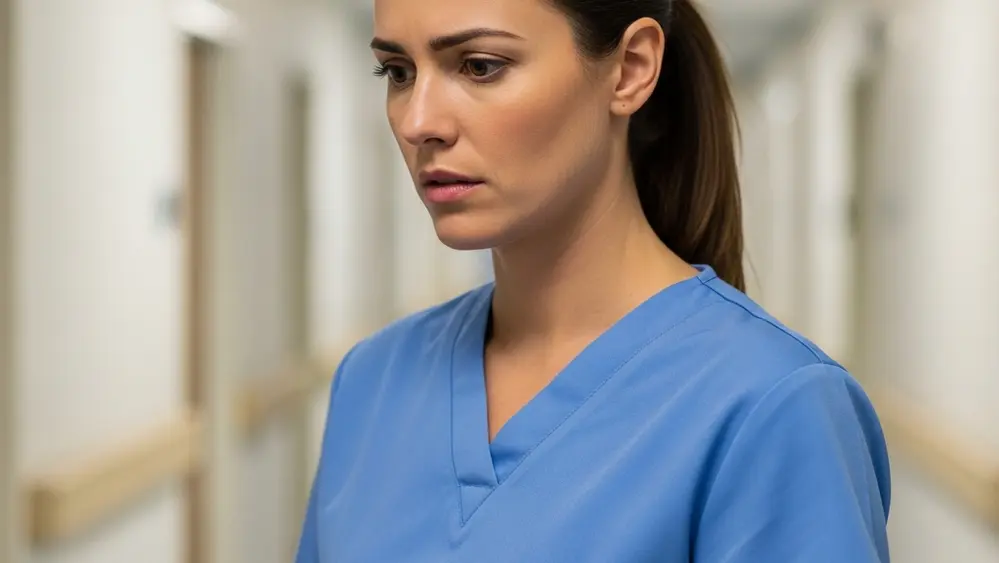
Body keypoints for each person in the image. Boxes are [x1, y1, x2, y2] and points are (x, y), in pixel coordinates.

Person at [295, 0, 891, 561]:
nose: (420, 122)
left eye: (480, 66)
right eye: (397, 73)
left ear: (630, 70)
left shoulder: (772, 406)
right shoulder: (371, 383)